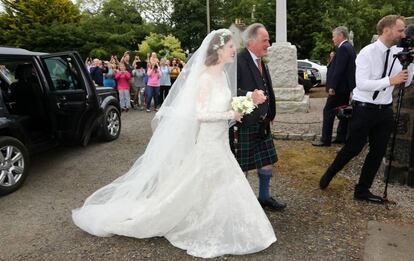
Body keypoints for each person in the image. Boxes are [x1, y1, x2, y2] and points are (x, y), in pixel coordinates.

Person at [72, 29, 276, 258]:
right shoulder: (205, 78)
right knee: (206, 182)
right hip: (209, 142)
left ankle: (228, 223)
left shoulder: (221, 76)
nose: (233, 51)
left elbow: (226, 102)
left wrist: (248, 99)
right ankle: (184, 221)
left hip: (220, 142)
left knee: (219, 183)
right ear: (219, 50)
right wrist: (230, 115)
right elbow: (201, 114)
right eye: (230, 47)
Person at [319, 15, 414, 203]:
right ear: (387, 30)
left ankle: (362, 190)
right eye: (400, 30)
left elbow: (407, 81)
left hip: (385, 110)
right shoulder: (367, 52)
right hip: (364, 109)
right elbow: (361, 84)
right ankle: (329, 173)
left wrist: (409, 63)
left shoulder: (399, 52)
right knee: (353, 148)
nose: (403, 34)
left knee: (377, 152)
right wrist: (390, 81)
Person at [230, 23, 286, 211]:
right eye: (265, 40)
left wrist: (271, 113)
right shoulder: (239, 60)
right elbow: (230, 93)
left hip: (263, 123)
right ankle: (241, 204)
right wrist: (249, 96)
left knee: (267, 162)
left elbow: (267, 88)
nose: (268, 44)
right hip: (245, 122)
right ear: (252, 41)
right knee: (242, 166)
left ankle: (264, 197)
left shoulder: (261, 60)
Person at [312, 26, 356, 147]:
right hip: (345, 88)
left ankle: (325, 139)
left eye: (333, 36)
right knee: (343, 112)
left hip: (339, 88)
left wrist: (332, 86)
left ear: (341, 35)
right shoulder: (349, 47)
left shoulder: (343, 48)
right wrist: (332, 59)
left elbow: (339, 70)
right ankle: (341, 137)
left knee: (328, 111)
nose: (333, 39)